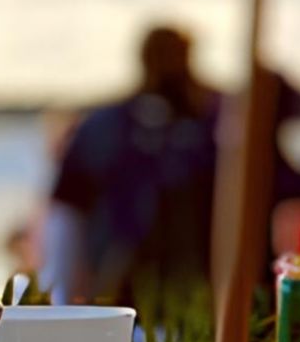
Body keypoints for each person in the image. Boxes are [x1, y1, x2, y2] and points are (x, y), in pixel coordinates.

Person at [46, 25, 220, 305]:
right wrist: (63, 300)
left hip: (194, 301)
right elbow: (66, 214)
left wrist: (62, 300)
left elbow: (65, 218)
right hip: (127, 298)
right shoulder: (107, 128)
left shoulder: (217, 127)